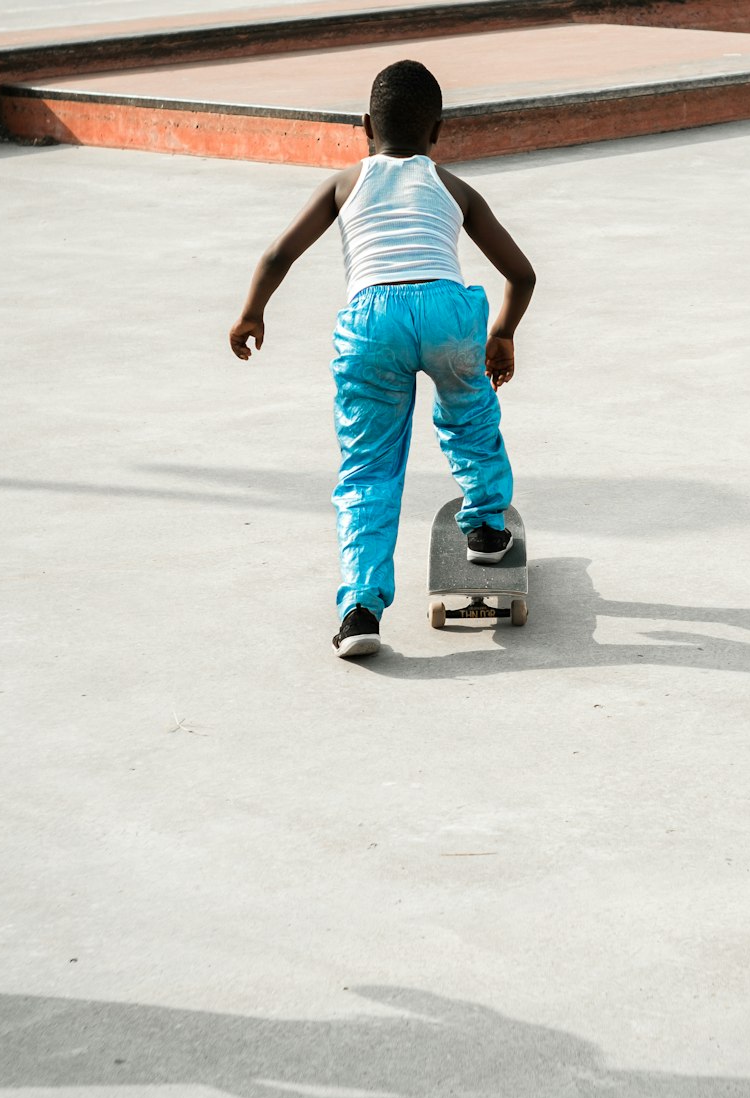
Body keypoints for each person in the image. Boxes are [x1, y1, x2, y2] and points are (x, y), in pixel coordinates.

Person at [229, 59, 535, 657]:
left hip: (372, 322)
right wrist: (502, 334)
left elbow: (277, 255)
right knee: (470, 414)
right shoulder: (453, 188)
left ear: (364, 125)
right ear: (437, 132)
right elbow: (521, 273)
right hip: (447, 313)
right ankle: (486, 523)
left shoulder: (345, 182)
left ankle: (360, 611)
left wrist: (251, 312)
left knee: (368, 466)